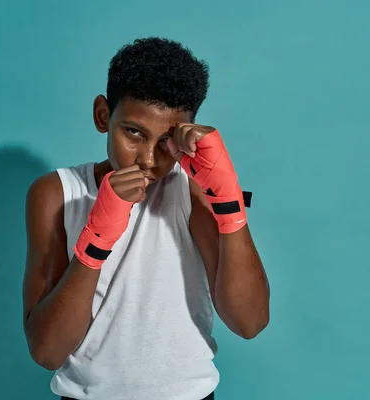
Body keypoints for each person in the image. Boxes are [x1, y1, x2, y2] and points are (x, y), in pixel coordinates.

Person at [22, 37, 270, 400]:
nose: (149, 160)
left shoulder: (192, 190)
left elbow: (249, 323)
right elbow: (47, 351)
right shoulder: (57, 192)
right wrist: (96, 240)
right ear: (103, 115)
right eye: (134, 133)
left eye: (167, 140)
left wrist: (228, 203)